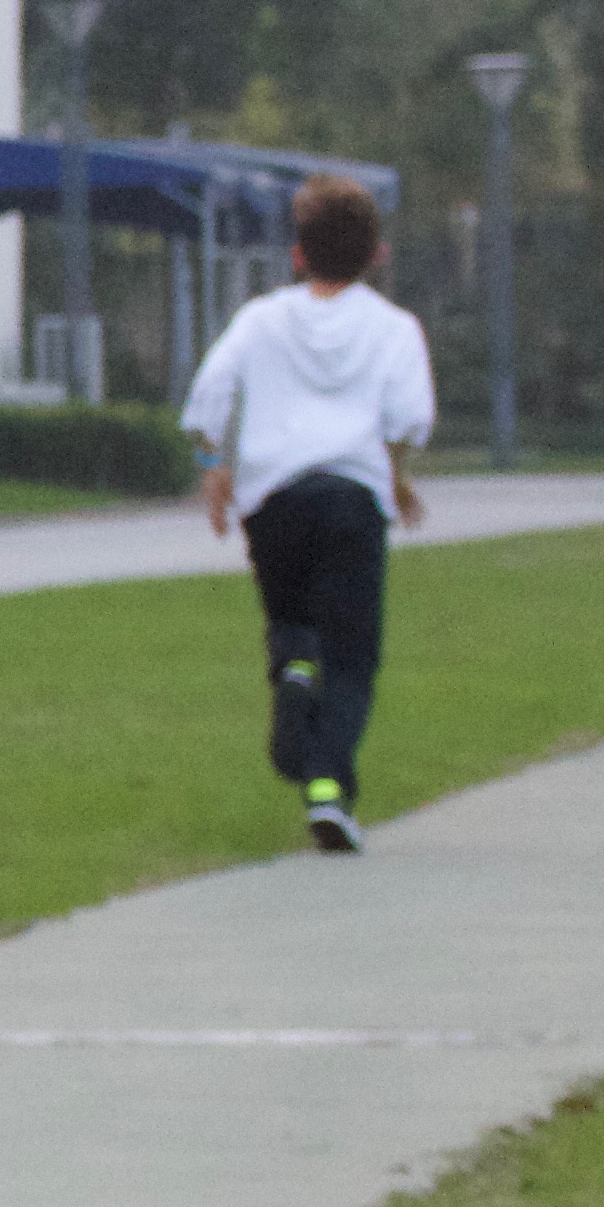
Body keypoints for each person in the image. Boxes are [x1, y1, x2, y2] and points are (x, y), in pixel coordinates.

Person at [180, 172, 435, 853]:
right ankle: (326, 789)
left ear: (297, 254)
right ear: (376, 254)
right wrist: (397, 475)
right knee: (351, 657)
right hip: (352, 499)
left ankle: (294, 672)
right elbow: (408, 417)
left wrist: (215, 465)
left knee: (292, 623)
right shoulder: (395, 328)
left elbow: (209, 394)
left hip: (274, 502)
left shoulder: (261, 318)